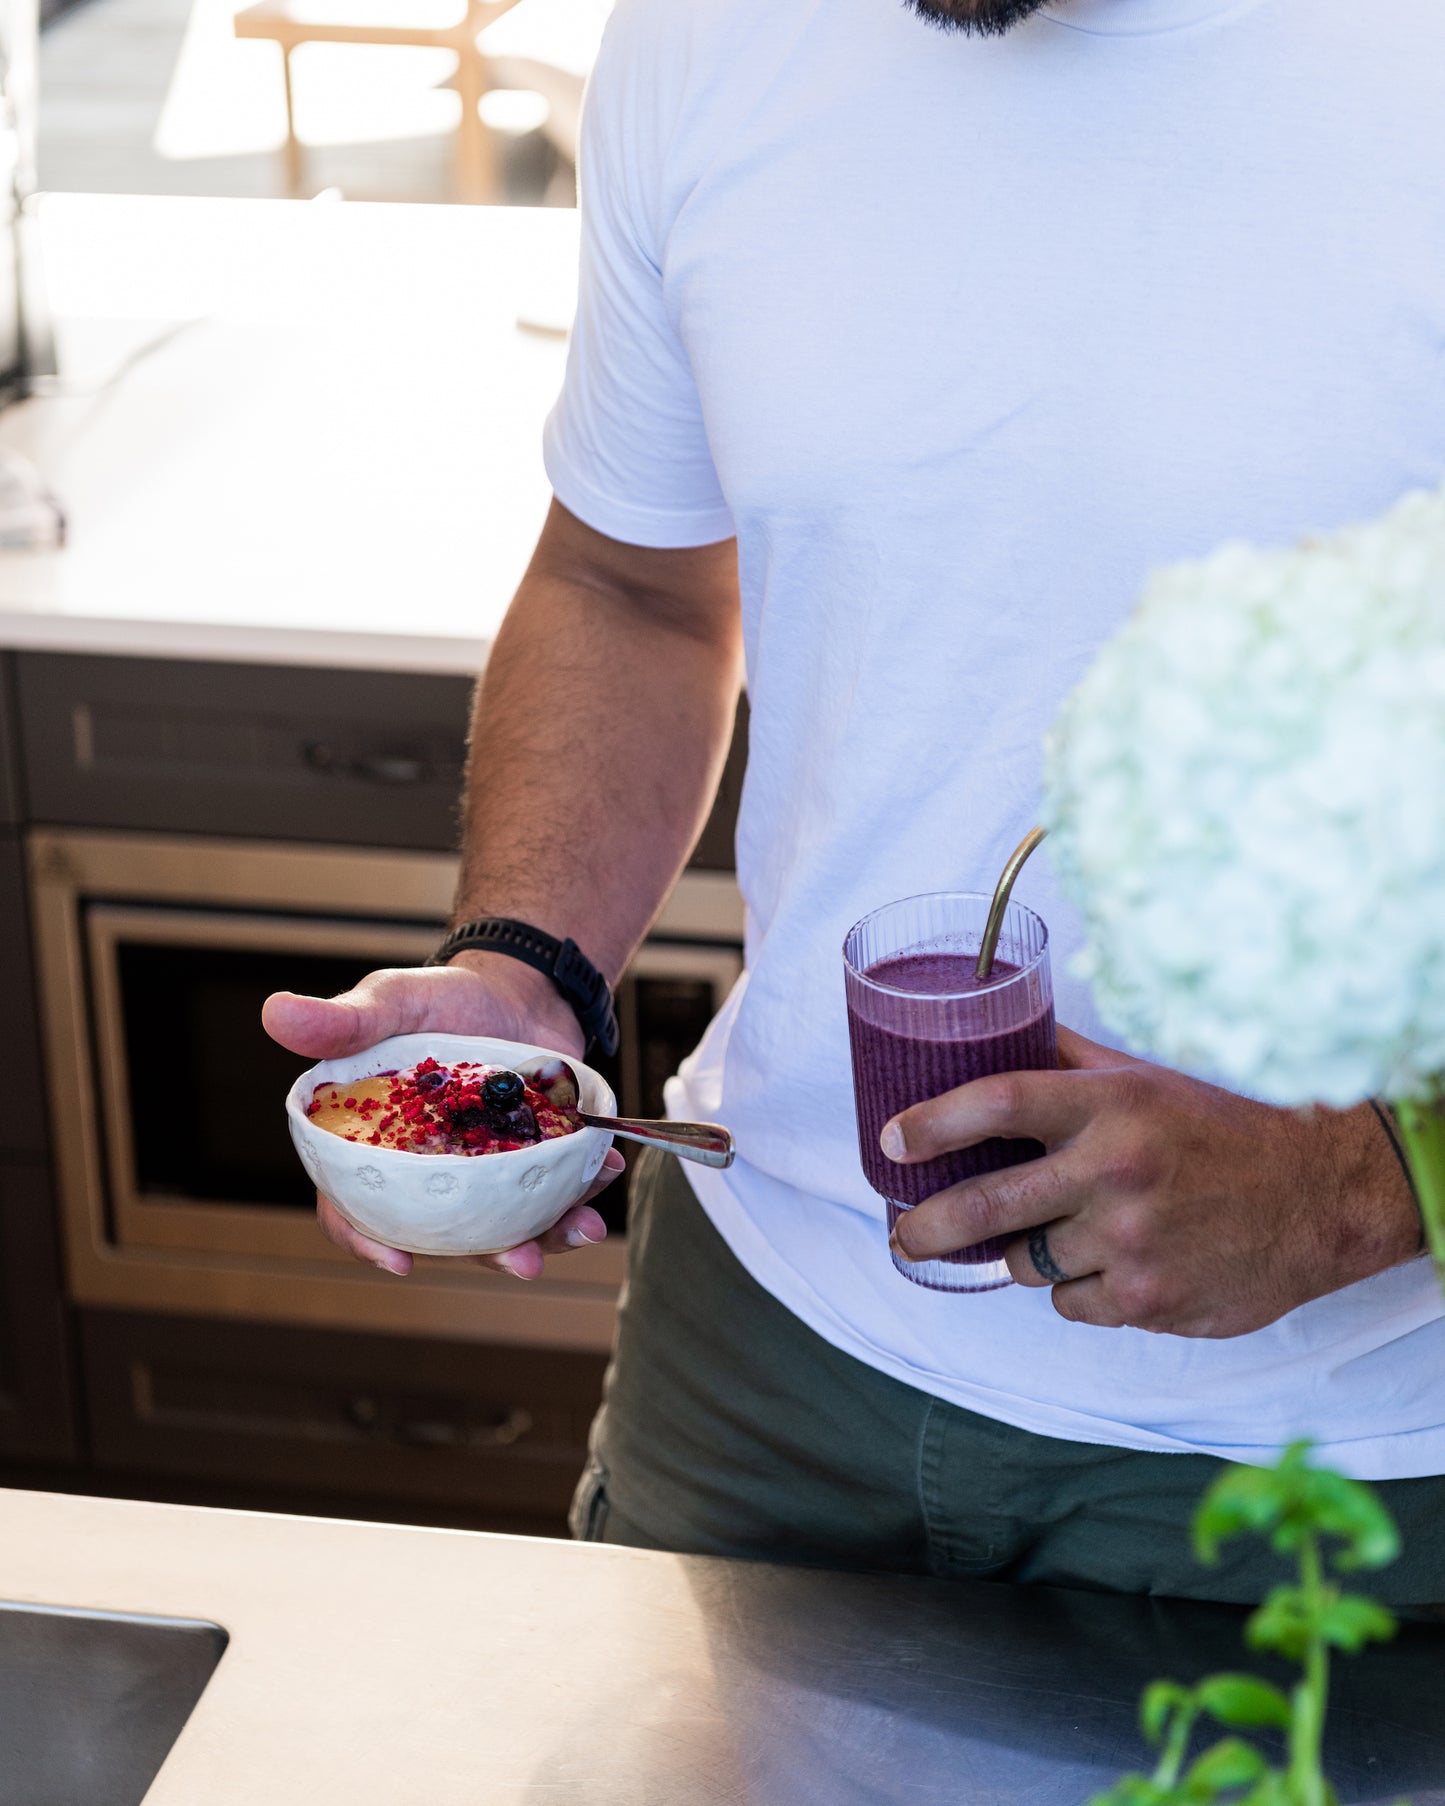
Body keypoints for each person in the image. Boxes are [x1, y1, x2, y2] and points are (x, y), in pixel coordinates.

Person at [264, 0, 1445, 1604]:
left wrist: (1371, 1182)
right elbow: (633, 582)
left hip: (1345, 1447)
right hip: (763, 1345)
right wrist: (524, 959)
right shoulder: (705, 35)